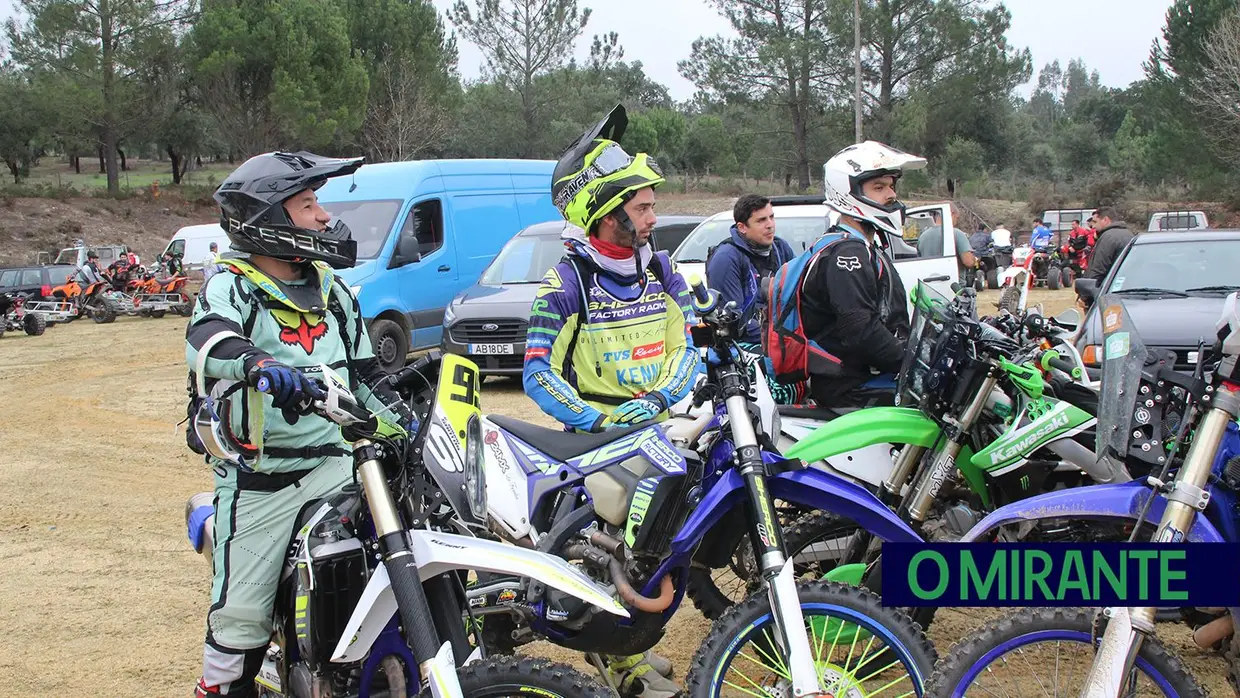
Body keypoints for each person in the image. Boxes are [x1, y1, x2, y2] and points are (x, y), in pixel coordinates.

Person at [187, 151, 413, 698]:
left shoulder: (331, 289)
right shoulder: (231, 286)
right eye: (308, 204)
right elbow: (208, 338)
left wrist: (403, 420)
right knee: (240, 618)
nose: (322, 217)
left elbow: (365, 377)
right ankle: (223, 684)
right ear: (268, 220)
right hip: (266, 478)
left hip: (341, 463)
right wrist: (258, 364)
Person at [523, 104, 700, 698]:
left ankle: (633, 652)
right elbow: (535, 374)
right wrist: (600, 419)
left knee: (661, 554)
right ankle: (617, 665)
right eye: (642, 207)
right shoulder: (567, 281)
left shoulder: (663, 269)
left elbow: (690, 345)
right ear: (604, 215)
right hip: (599, 448)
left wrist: (663, 396)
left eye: (652, 203)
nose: (654, 215)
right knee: (615, 566)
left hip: (663, 428)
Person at [802, 140, 923, 407]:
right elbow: (860, 329)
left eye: (891, 185)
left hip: (863, 378)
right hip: (853, 387)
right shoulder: (847, 253)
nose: (890, 195)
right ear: (849, 192)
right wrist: (912, 360)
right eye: (879, 187)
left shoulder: (861, 245)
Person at [705, 194, 802, 403]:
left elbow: (800, 294)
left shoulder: (780, 248)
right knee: (781, 389)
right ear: (742, 227)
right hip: (742, 344)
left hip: (780, 337)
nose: (770, 225)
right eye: (761, 220)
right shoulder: (726, 257)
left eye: (771, 217)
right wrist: (777, 335)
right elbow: (733, 323)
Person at [917, 207, 977, 276]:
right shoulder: (956, 234)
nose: (956, 222)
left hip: (929, 280)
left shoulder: (922, 236)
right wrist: (974, 259)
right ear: (951, 214)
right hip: (953, 283)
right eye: (957, 218)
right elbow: (968, 262)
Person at [1085, 206, 1133, 282]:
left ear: (1105, 220)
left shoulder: (1107, 238)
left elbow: (1098, 269)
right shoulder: (1129, 234)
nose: (1093, 226)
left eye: (1095, 222)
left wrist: (1088, 288)